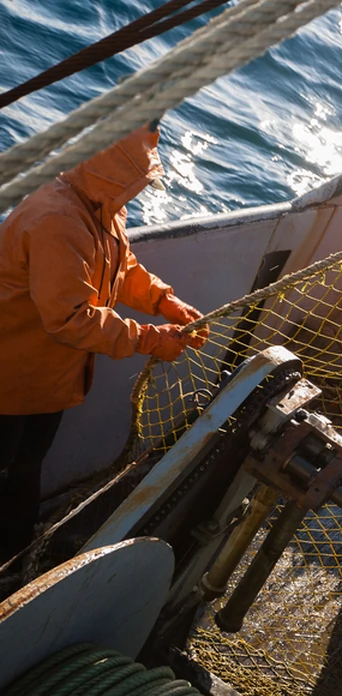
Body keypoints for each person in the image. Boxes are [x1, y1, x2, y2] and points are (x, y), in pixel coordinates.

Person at [0, 123, 206, 564]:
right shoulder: (56, 219)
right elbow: (71, 318)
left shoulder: (100, 204)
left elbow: (121, 264)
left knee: (26, 465)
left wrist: (163, 301)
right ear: (111, 172)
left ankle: (13, 557)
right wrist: (152, 340)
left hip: (44, 379)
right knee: (6, 466)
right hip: (7, 376)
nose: (137, 194)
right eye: (133, 182)